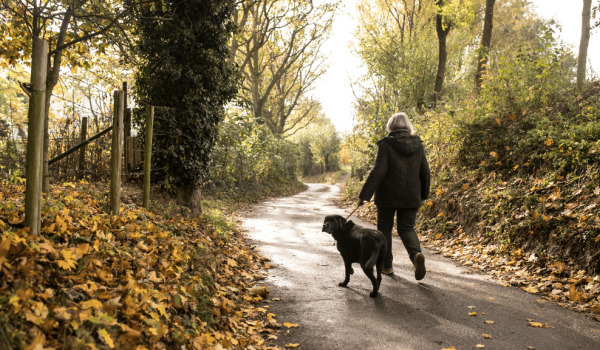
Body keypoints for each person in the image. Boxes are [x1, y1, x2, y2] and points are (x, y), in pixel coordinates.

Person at [356, 112, 431, 280]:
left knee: (384, 229)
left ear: (390, 127)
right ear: (408, 126)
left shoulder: (386, 144)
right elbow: (425, 172)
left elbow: (378, 171)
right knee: (407, 229)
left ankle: (386, 266)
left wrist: (364, 195)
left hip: (387, 197)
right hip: (412, 195)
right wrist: (423, 195)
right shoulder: (418, 144)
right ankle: (415, 256)